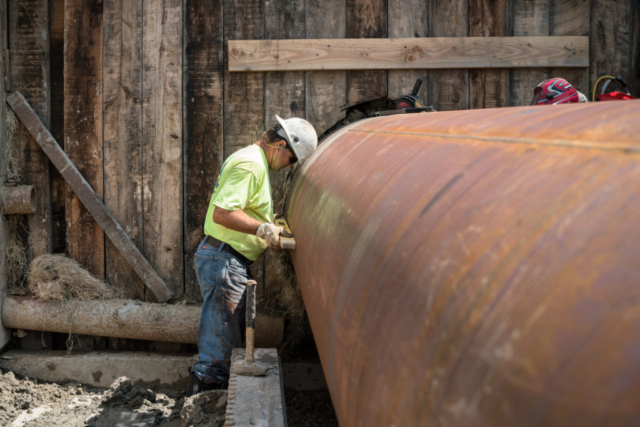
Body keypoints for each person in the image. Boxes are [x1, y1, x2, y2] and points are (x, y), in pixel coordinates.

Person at [187, 115, 318, 395]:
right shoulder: (251, 164)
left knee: (226, 339)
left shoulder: (252, 159)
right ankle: (204, 401)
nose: (288, 167)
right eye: (292, 160)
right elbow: (223, 213)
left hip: (227, 258)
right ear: (281, 145)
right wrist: (261, 229)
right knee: (220, 346)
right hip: (224, 258)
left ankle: (215, 396)